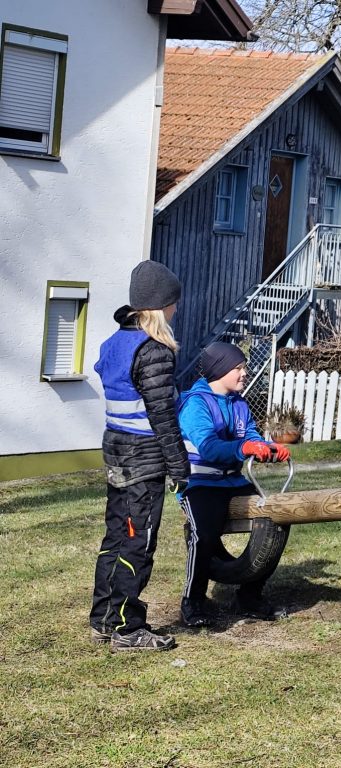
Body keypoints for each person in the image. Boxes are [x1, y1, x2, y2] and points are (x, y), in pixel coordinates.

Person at [90, 261, 189, 652]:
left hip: (115, 452)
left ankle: (103, 618)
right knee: (138, 541)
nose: (176, 310)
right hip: (144, 459)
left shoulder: (114, 343)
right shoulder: (154, 351)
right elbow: (162, 415)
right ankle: (127, 629)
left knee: (115, 536)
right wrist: (180, 466)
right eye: (173, 303)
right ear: (160, 306)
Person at [176, 342, 291, 627]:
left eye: (244, 368)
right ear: (219, 370)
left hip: (233, 482)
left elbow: (251, 435)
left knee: (277, 517)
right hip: (199, 484)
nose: (244, 374)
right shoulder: (196, 404)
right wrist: (245, 448)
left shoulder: (239, 403)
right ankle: (193, 601)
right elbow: (210, 447)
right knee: (203, 535)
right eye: (238, 369)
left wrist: (271, 447)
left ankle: (249, 596)